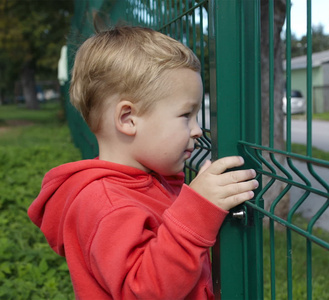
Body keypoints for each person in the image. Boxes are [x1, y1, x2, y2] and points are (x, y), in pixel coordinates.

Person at [27, 26, 258, 299]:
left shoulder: (147, 182)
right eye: (186, 115)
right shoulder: (106, 204)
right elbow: (143, 290)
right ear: (128, 119)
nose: (198, 130)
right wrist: (196, 210)